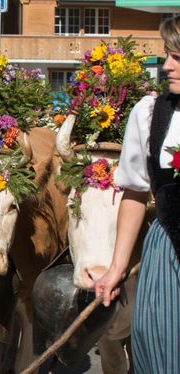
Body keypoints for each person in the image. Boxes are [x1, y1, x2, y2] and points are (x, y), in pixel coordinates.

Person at [94, 16, 180, 373]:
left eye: (177, 56)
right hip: (169, 250)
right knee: (161, 346)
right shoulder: (150, 113)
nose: (167, 65)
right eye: (167, 54)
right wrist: (116, 268)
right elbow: (134, 192)